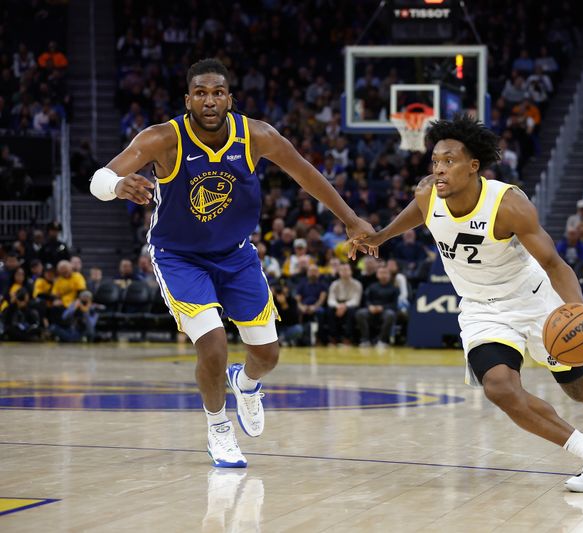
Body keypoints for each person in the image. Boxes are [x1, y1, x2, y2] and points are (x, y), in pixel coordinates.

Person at [90, 58, 375, 468]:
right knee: (213, 343)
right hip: (179, 257)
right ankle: (218, 428)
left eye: (217, 93)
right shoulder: (161, 138)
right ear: (187, 99)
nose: (209, 101)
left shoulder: (256, 135)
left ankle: (246, 383)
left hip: (236, 254)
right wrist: (118, 185)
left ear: (230, 98)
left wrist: (350, 220)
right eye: (201, 93)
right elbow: (99, 178)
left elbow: (306, 174)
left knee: (269, 353)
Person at [351, 114, 583, 492]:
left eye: (449, 161)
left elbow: (553, 263)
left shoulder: (508, 204)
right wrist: (381, 236)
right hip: (481, 309)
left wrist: (581, 316)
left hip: (533, 300)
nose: (439, 170)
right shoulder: (427, 192)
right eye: (435, 161)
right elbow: (420, 212)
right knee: (499, 387)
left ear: (473, 166)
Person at [355, 265, 399, 348]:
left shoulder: (394, 289)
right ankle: (365, 340)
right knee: (360, 313)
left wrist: (382, 308)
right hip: (372, 310)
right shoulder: (372, 287)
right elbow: (367, 300)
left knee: (390, 315)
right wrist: (370, 307)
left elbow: (394, 305)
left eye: (385, 273)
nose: (383, 275)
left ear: (389, 275)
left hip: (385, 311)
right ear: (377, 275)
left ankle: (382, 340)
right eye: (381, 273)